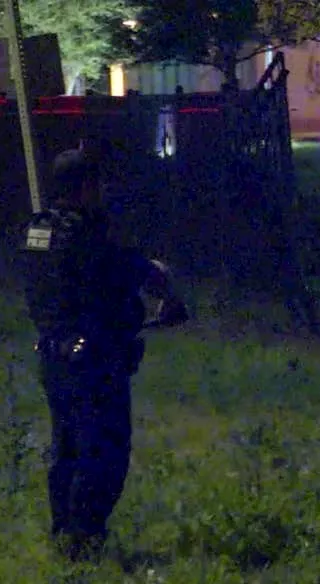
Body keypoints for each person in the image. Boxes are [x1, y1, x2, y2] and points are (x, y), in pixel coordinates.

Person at [19, 145, 189, 561]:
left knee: (67, 450)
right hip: (93, 363)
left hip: (53, 357)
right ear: (85, 188)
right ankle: (84, 540)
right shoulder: (85, 237)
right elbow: (133, 271)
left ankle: (64, 534)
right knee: (104, 453)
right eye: (98, 185)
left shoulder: (38, 233)